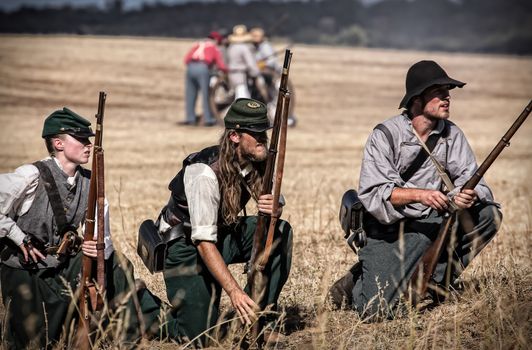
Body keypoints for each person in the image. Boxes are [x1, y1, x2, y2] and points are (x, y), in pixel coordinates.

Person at [330, 60, 502, 321]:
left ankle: (434, 282)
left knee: (488, 215)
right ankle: (355, 282)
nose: (447, 97)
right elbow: (375, 193)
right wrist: (421, 195)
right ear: (417, 99)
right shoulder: (386, 134)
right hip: (388, 228)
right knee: (376, 311)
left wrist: (471, 194)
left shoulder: (452, 134)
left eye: (448, 91)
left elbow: (472, 178)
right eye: (439, 91)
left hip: (429, 224)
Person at [146, 98, 293, 346]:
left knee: (278, 230)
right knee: (201, 336)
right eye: (255, 133)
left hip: (221, 235)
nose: (262, 138)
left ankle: (260, 319)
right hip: (185, 248)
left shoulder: (255, 160)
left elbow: (269, 198)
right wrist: (234, 291)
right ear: (235, 136)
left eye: (264, 131)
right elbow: (203, 242)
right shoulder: (204, 173)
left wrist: (275, 206)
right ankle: (139, 304)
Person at [0, 108, 144, 348]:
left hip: (62, 264)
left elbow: (104, 240)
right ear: (58, 143)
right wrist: (17, 236)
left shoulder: (91, 183)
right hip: (22, 266)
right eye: (81, 140)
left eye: (89, 140)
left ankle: (126, 336)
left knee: (117, 264)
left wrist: (97, 248)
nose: (88, 145)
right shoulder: (30, 175)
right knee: (34, 340)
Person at [182, 31, 228, 126]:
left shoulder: (197, 45)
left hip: (190, 67)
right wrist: (226, 70)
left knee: (190, 94)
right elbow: (221, 65)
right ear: (215, 40)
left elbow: (186, 59)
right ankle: (208, 119)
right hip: (203, 67)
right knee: (206, 94)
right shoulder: (213, 47)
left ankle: (190, 118)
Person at [227, 25, 267, 101]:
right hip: (240, 76)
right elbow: (251, 64)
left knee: (239, 95)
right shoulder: (244, 48)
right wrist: (257, 73)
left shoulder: (231, 47)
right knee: (242, 99)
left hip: (231, 75)